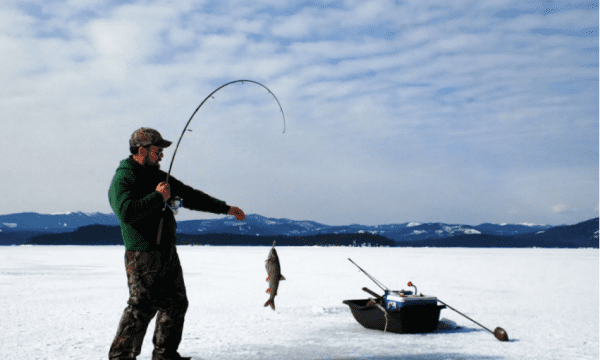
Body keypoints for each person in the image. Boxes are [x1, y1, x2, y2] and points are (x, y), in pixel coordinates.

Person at [108, 127, 245, 360]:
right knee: (141, 308)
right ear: (141, 150)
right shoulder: (125, 176)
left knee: (176, 303)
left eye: (161, 150)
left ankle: (165, 355)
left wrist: (225, 208)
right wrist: (157, 197)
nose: (161, 155)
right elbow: (125, 212)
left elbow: (190, 195)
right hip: (143, 254)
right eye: (157, 150)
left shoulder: (159, 177)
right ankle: (120, 357)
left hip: (166, 252)